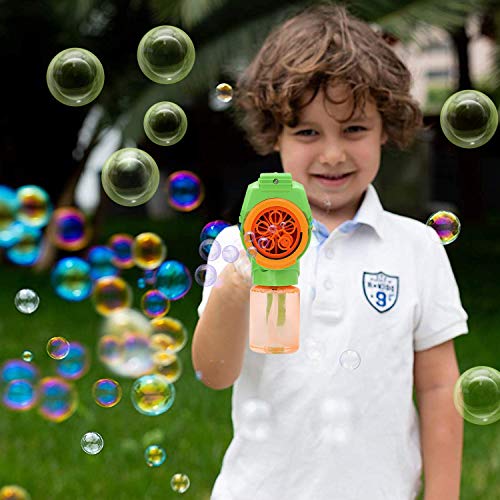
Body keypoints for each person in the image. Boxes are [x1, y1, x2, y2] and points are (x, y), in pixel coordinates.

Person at [192, 4, 468, 499]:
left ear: (386, 128)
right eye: (307, 132)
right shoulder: (237, 246)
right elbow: (214, 373)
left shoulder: (417, 247)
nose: (333, 153)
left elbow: (436, 386)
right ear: (273, 135)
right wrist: (239, 282)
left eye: (355, 129)